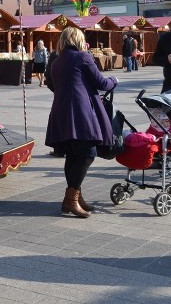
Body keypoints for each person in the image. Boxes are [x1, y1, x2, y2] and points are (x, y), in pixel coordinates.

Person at [45, 26, 118, 218]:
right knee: (87, 153)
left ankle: (75, 197)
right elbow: (101, 83)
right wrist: (114, 80)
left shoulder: (56, 61)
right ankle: (71, 199)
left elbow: (52, 84)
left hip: (61, 110)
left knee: (72, 155)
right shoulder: (83, 57)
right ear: (78, 40)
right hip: (80, 111)